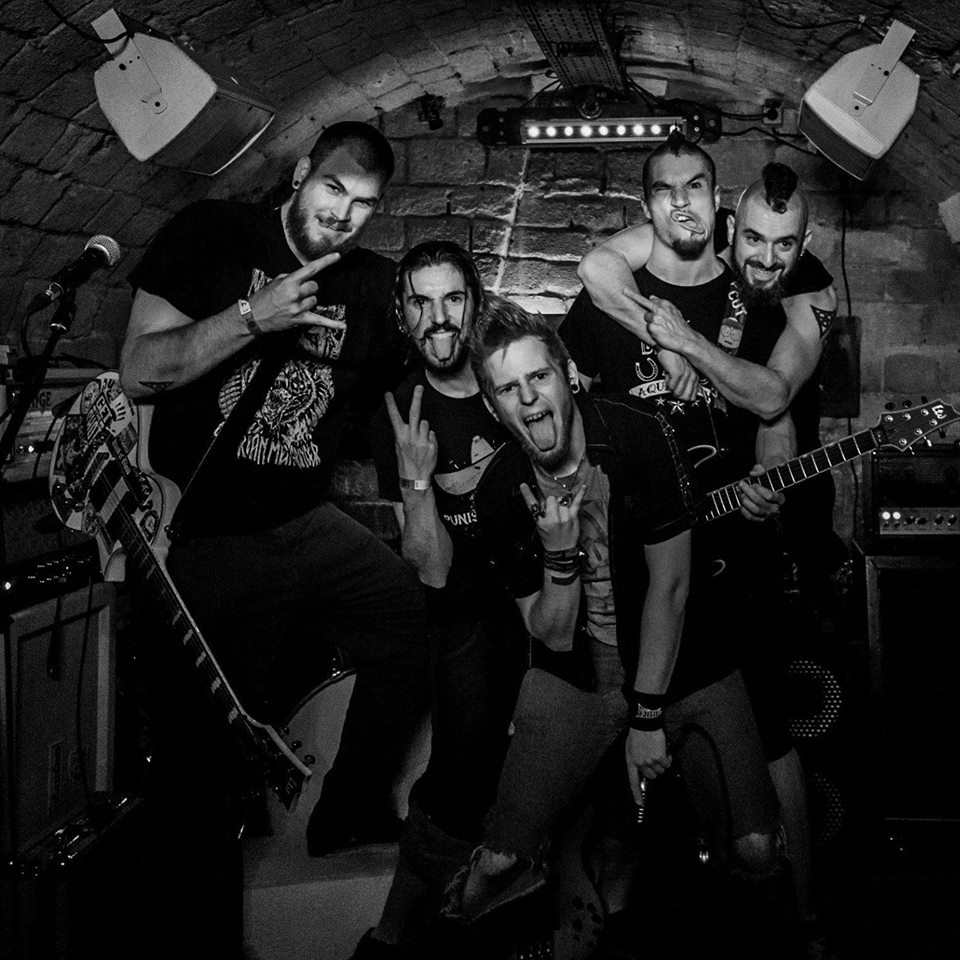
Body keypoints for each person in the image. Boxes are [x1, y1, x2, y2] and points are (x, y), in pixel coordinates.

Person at [119, 121, 428, 960]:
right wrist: (250, 317)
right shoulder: (214, 233)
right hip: (208, 533)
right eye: (333, 190)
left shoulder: (369, 284)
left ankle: (349, 809)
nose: (343, 215)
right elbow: (139, 368)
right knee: (205, 762)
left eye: (364, 204)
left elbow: (433, 361)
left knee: (410, 620)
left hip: (305, 519)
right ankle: (198, 936)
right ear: (299, 174)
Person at [446, 298, 794, 959]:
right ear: (492, 407)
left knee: (755, 848)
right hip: (579, 675)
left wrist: (646, 716)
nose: (530, 399)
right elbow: (550, 635)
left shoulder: (639, 434)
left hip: (684, 661)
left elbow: (672, 586)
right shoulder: (498, 493)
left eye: (539, 377)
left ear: (567, 375)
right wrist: (559, 557)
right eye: (509, 389)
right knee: (496, 864)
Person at [567, 140, 838, 936]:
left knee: (767, 737)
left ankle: (800, 919)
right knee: (631, 764)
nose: (765, 257)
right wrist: (659, 335)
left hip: (747, 556)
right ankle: (621, 918)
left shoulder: (791, 297)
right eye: (752, 238)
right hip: (647, 566)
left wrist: (693, 350)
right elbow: (594, 279)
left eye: (782, 244)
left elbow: (773, 396)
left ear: (803, 244)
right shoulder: (633, 280)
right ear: (726, 223)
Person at [354, 244, 527, 957]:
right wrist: (417, 481)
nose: (439, 317)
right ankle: (392, 937)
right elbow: (431, 569)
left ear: (474, 302)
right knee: (462, 775)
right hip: (467, 613)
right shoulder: (398, 413)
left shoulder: (512, 376)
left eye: (452, 298)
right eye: (420, 302)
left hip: (547, 595)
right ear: (402, 313)